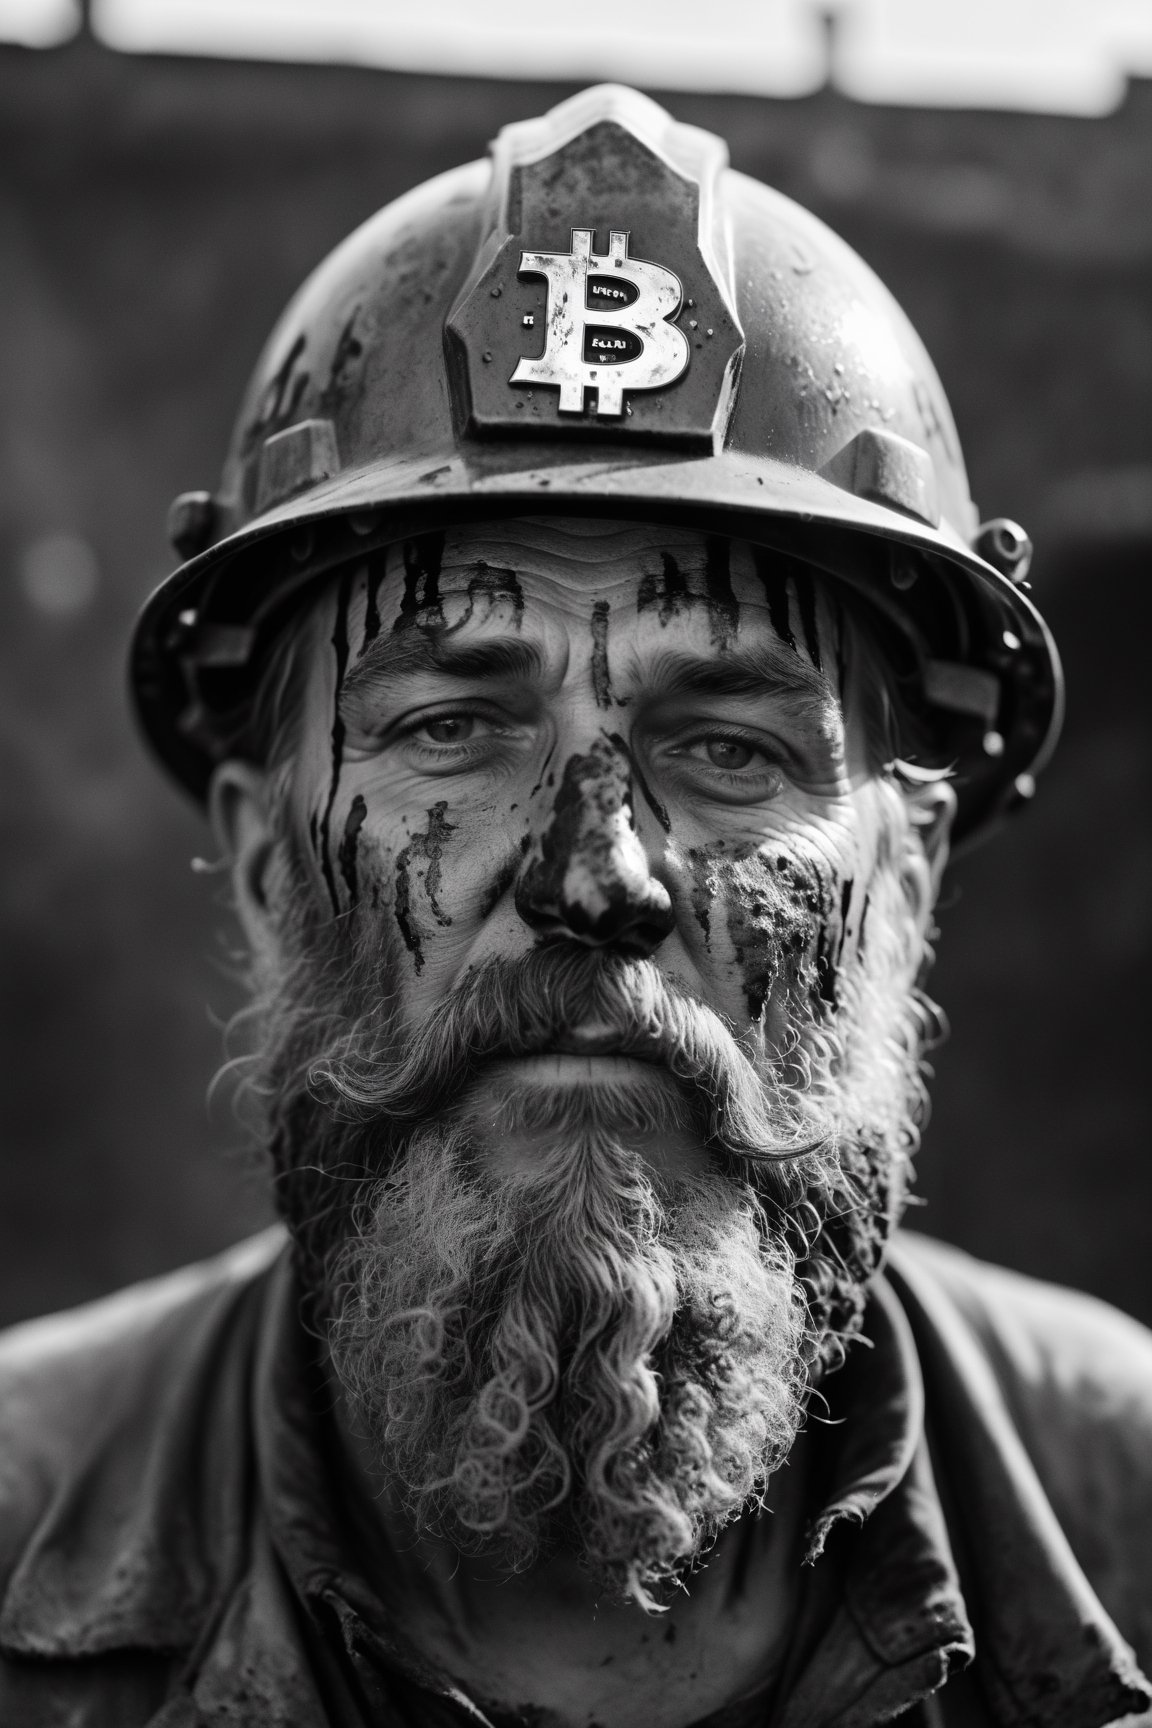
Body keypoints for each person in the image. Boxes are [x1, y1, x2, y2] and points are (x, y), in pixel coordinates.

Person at [0, 84, 1149, 1728]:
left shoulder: (1133, 1515)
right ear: (264, 866)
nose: (598, 873)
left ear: (906, 885)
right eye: (453, 729)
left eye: (731, 746)